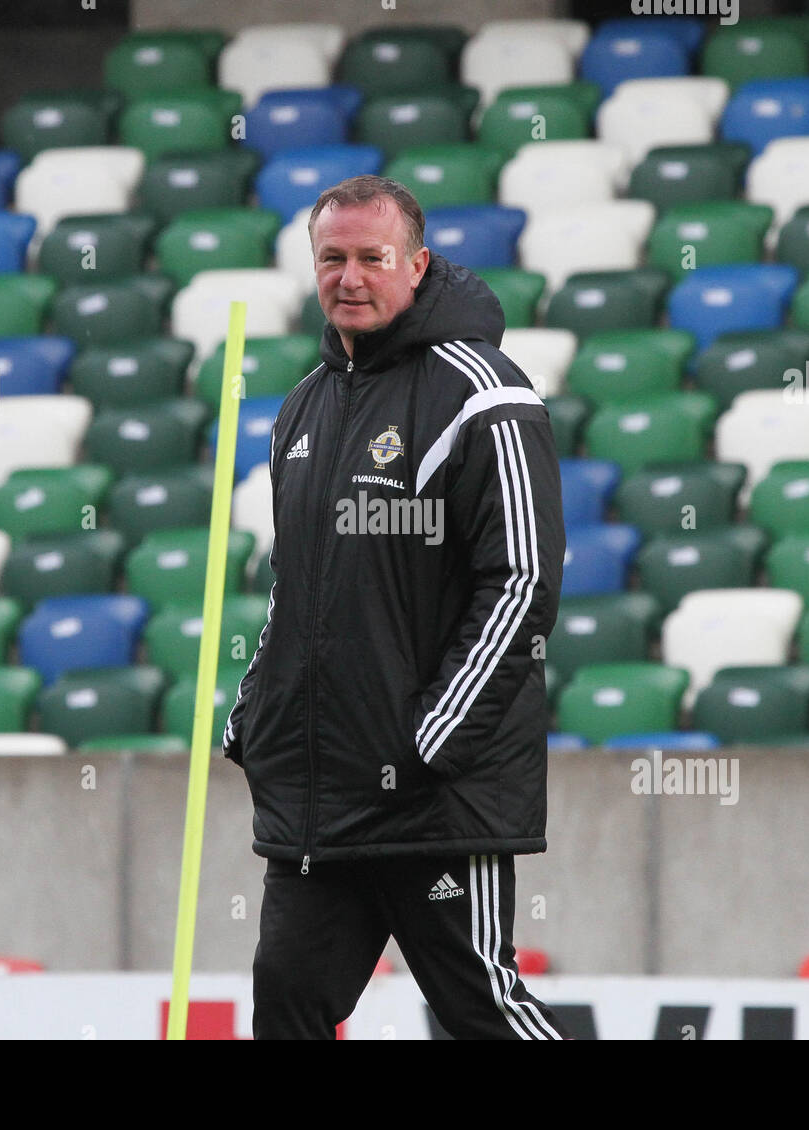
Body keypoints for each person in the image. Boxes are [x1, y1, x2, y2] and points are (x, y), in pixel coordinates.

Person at [223, 175, 567, 1040]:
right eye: (330, 258)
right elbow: (295, 591)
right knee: (287, 1000)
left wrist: (432, 737)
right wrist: (256, 714)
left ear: (415, 265)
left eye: (371, 258)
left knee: (480, 1007)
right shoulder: (301, 406)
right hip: (324, 794)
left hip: (434, 796)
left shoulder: (486, 392)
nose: (349, 277)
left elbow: (522, 579)